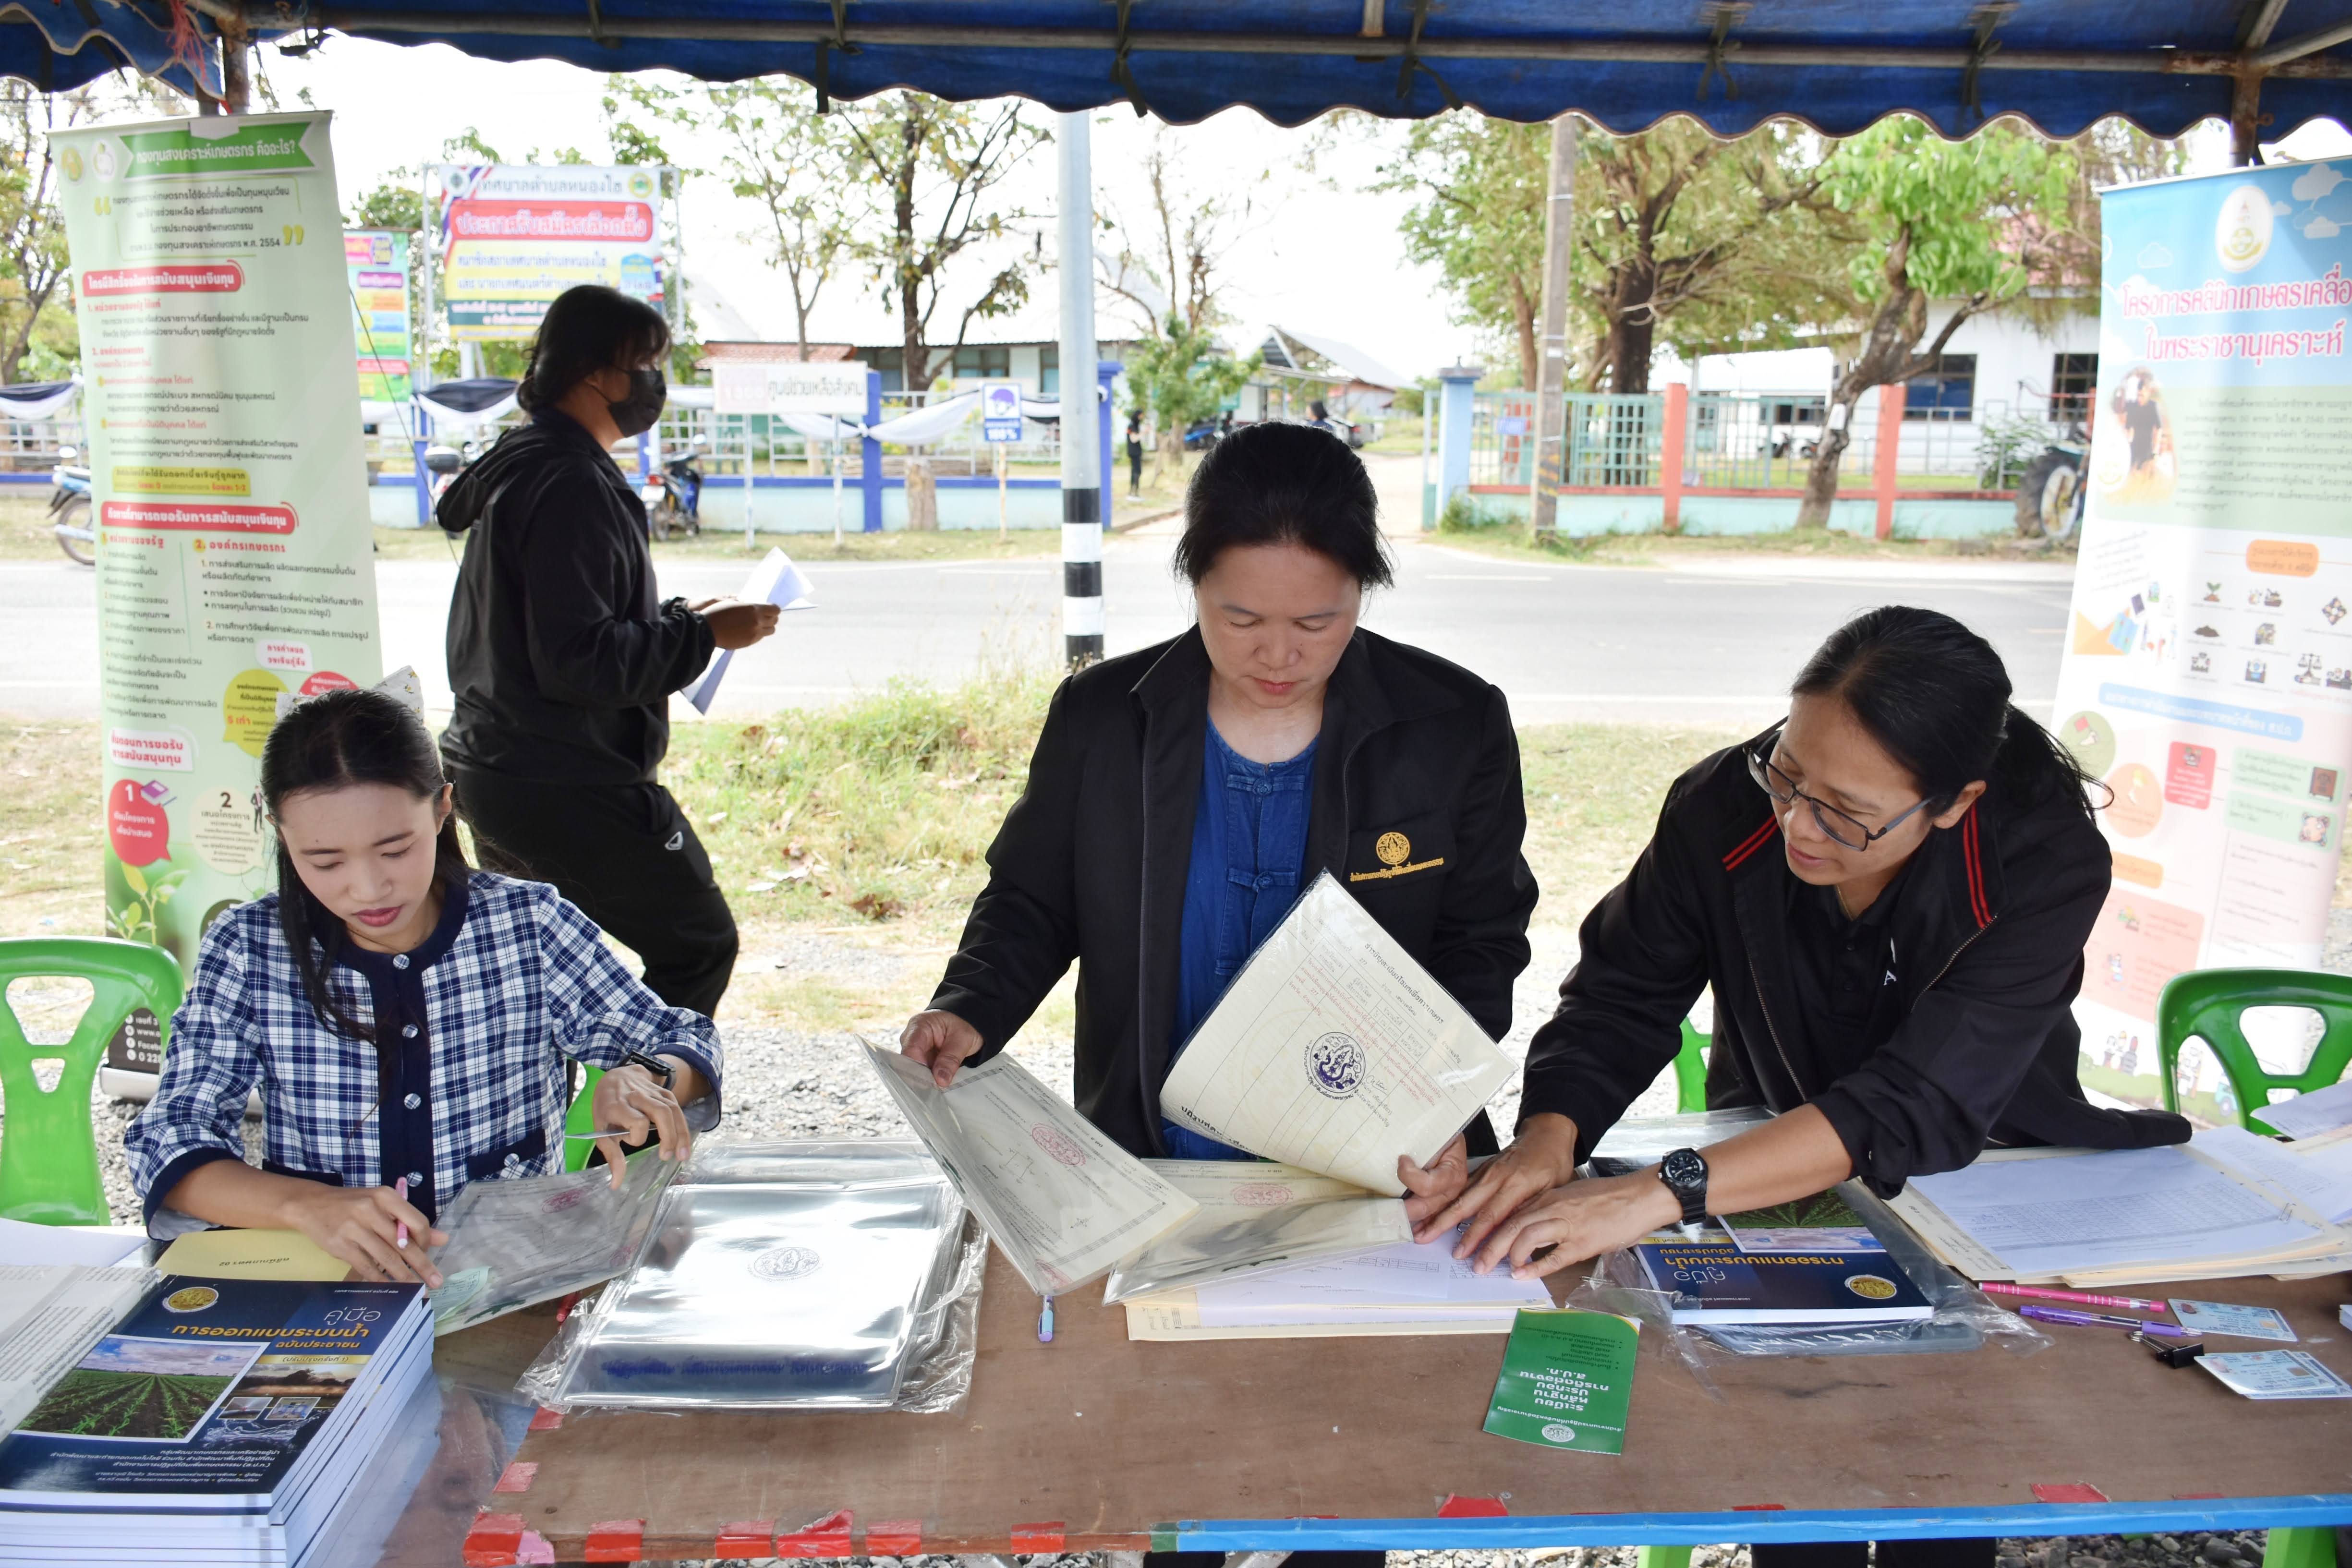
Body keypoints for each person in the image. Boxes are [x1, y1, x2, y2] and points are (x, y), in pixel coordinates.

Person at [1415, 606, 2189, 1568]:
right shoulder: (1723, 808)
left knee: (1947, 1461)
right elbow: (1624, 993)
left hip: (1980, 1175)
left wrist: (1661, 1189)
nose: (1797, 823)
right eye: (1789, 773)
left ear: (1951, 802)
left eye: (1847, 812)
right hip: (1776, 1157)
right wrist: (1548, 1139)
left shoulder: (2041, 859)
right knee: (1788, 1452)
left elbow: (1918, 1101)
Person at [901, 417, 1539, 1202]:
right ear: (1195, 583)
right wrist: (970, 1005)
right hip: (1148, 1164)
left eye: (1316, 622)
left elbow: (1479, 940)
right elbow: (1030, 900)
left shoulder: (1449, 724)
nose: (1278, 655)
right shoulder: (1102, 717)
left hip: (1374, 1165)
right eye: (1240, 620)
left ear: (1361, 590)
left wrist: (1432, 1098)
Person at [126, 684, 722, 1286]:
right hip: (327, 1291)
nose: (367, 888)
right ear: (281, 833)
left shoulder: (527, 926)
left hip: (506, 1285)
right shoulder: (250, 948)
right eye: (325, 862)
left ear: (442, 809)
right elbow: (171, 1136)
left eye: (395, 849)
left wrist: (644, 1073)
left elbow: (682, 1036)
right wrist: (301, 1205)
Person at [436, 284, 777, 1017]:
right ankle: (627, 1130)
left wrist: (682, 618)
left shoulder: (525, 462)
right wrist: (703, 636)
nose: (654, 383)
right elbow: (579, 658)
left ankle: (555, 1123)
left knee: (540, 972)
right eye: (646, 364)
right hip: (563, 776)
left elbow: (559, 622)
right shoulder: (570, 483)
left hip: (499, 763)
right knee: (697, 943)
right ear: (597, 374)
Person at [1126, 409, 1145, 499]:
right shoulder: (1132, 425)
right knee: (1137, 471)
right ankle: (1134, 492)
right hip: (1134, 452)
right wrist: (1144, 433)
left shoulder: (1135, 425)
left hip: (1136, 452)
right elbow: (1134, 439)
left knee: (1135, 471)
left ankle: (1134, 491)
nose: (1142, 418)